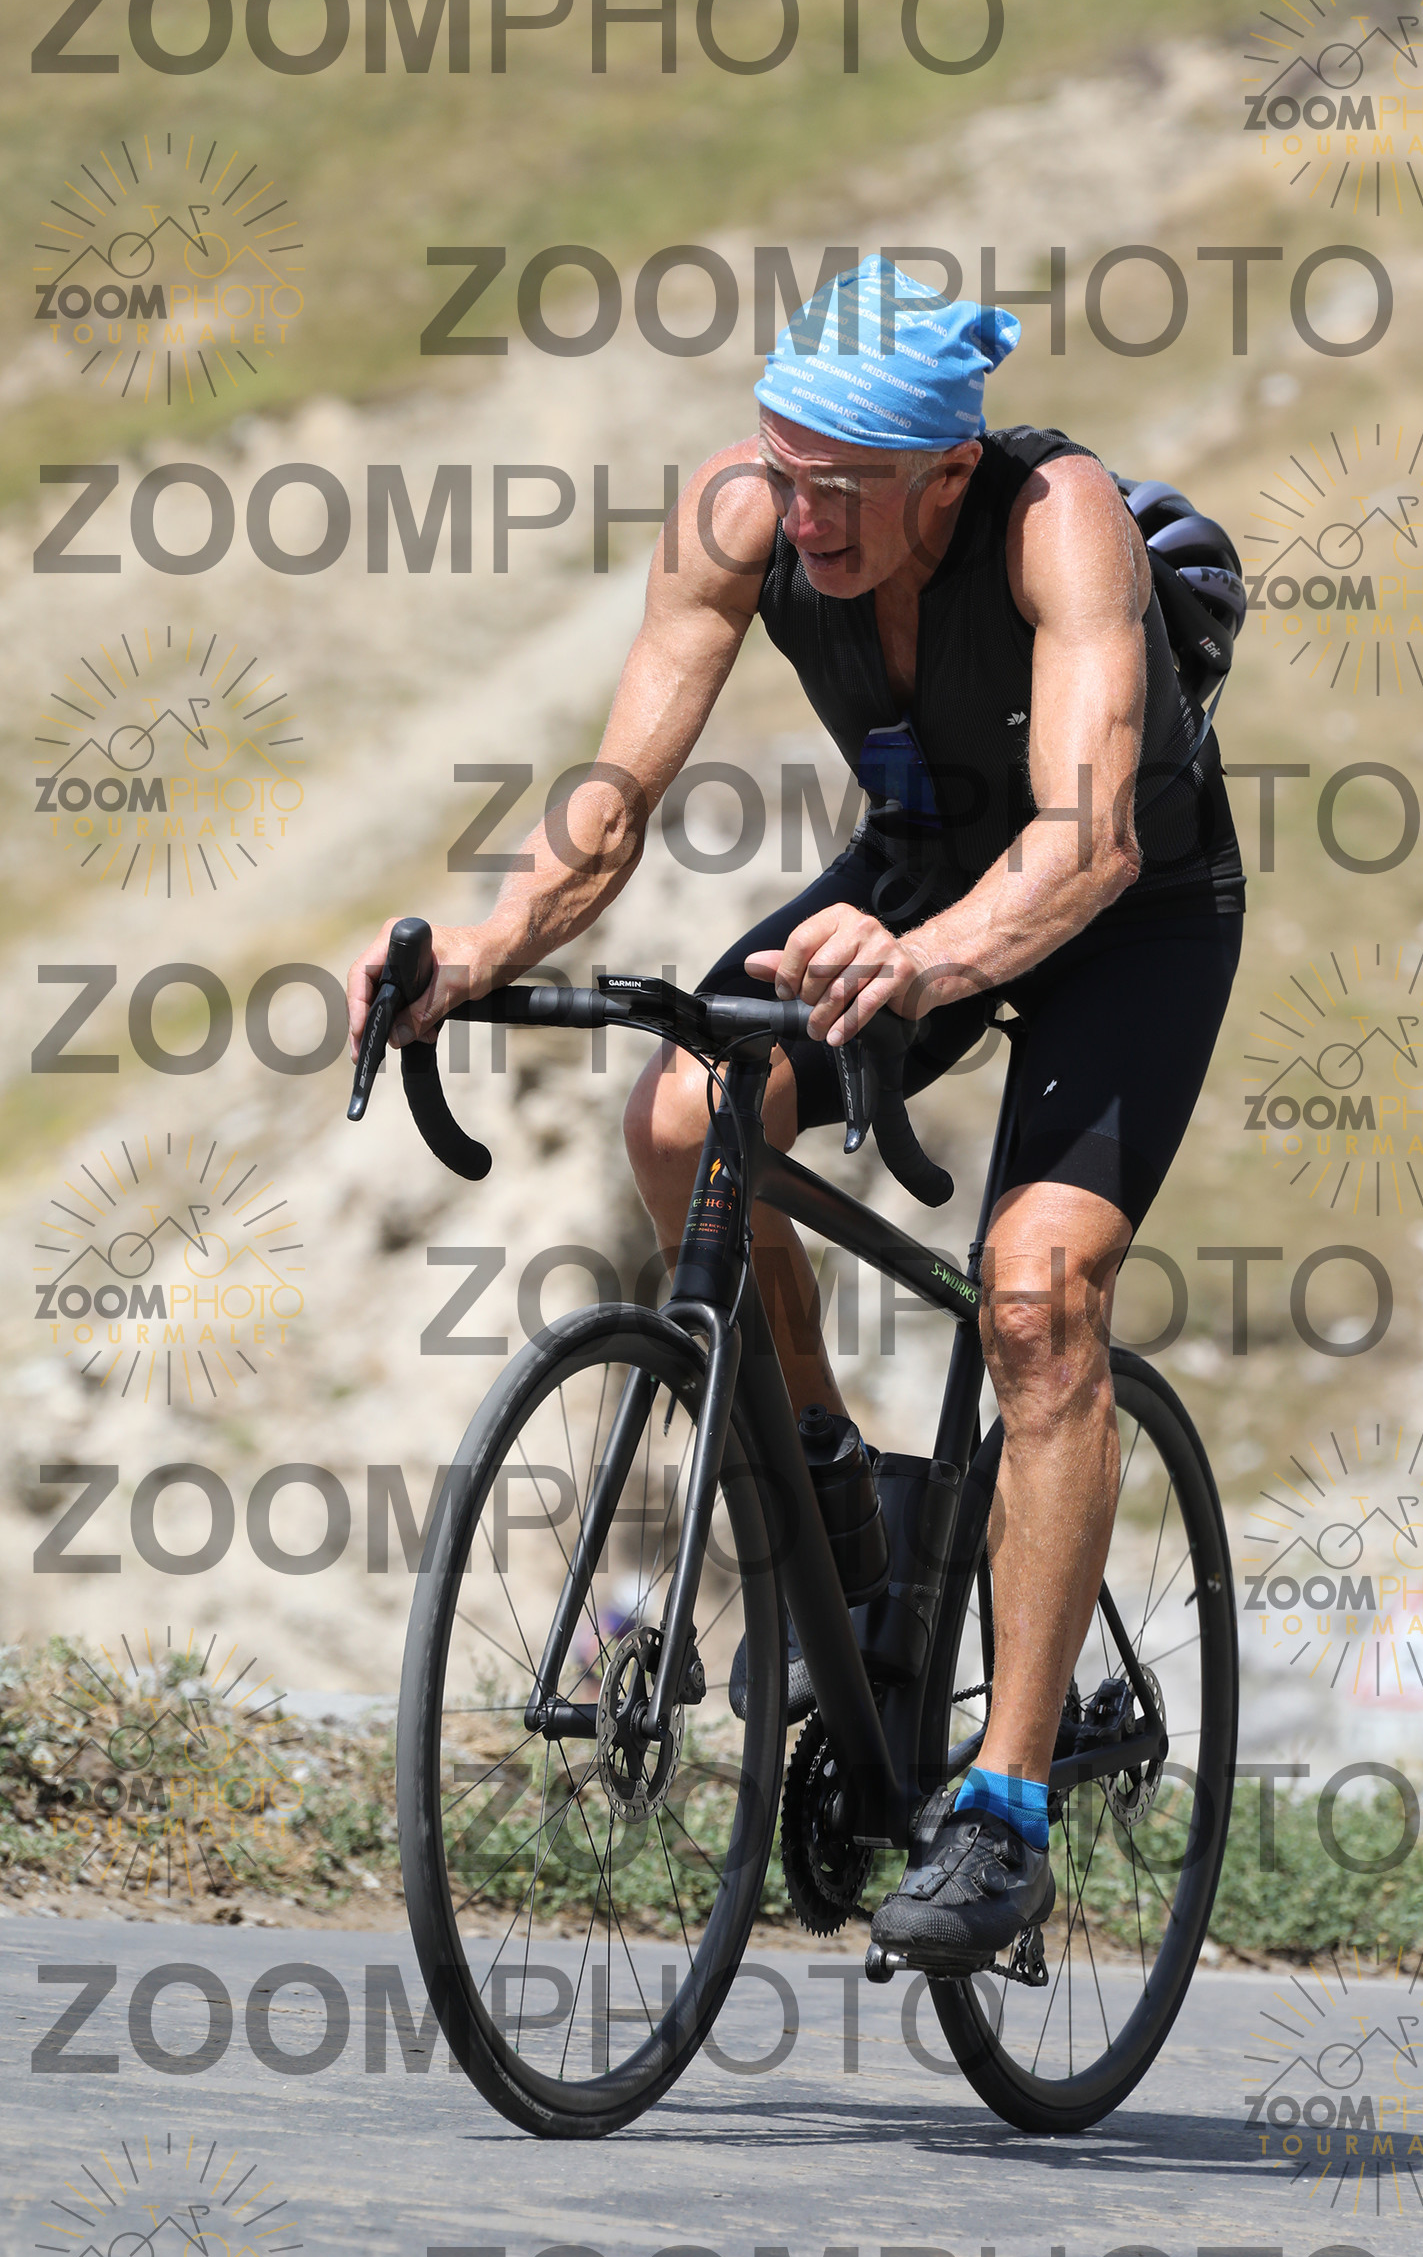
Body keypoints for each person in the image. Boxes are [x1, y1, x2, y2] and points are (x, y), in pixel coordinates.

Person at [347, 255, 1245, 1975]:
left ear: (947, 473)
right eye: (784, 471)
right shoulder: (746, 514)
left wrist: (922, 962)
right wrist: (475, 950)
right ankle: (835, 1493)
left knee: (1038, 1299)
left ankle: (1004, 1811)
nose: (801, 517)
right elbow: (614, 803)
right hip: (914, 882)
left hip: (1129, 915)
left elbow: (1087, 845)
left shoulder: (1058, 526)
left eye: (843, 489)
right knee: (681, 1122)